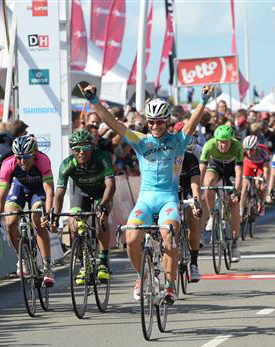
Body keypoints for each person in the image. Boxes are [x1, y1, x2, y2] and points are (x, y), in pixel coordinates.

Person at [81, 83, 213, 304]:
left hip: (167, 199)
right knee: (132, 237)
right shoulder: (141, 141)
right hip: (145, 199)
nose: (155, 126)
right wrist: (94, 101)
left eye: (159, 121)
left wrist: (203, 101)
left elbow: (192, 123)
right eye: (151, 122)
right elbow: (113, 123)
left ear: (167, 121)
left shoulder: (178, 141)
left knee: (169, 236)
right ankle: (143, 276)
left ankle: (170, 285)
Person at [52, 128, 116, 283]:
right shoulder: (67, 164)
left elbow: (111, 185)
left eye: (86, 148)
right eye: (77, 149)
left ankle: (102, 261)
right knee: (73, 224)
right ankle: (84, 264)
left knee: (101, 219)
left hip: (102, 194)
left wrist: (104, 205)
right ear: (72, 150)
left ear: (92, 147)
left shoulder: (101, 157)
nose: (81, 152)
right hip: (81, 194)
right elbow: (59, 193)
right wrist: (54, 216)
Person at [0, 135, 55, 287]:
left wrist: (48, 213)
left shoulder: (43, 160)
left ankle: (47, 268)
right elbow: (1, 195)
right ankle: (22, 259)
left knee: (37, 219)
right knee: (11, 222)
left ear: (34, 154)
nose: (22, 161)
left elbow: (49, 190)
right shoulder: (8, 164)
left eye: (26, 157)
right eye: (19, 157)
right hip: (19, 188)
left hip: (38, 190)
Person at [199, 124, 244, 262]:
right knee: (208, 183)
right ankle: (213, 215)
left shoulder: (237, 146)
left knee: (234, 205)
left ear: (231, 140)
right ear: (216, 140)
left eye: (226, 142)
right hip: (215, 167)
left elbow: (238, 172)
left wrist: (237, 191)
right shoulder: (208, 145)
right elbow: (202, 170)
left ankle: (235, 244)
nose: (223, 145)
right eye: (220, 141)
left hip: (231, 170)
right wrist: (200, 188)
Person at [179, 140, 203, 282]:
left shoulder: (190, 158)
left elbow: (195, 186)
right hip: (170, 192)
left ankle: (194, 264)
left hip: (187, 191)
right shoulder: (166, 158)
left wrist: (196, 205)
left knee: (193, 221)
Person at [241, 134, 270, 217]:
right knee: (245, 185)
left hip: (261, 166)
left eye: (252, 149)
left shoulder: (263, 151)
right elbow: (238, 165)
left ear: (256, 147)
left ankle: (262, 204)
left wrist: (264, 181)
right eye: (247, 149)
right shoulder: (242, 151)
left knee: (259, 184)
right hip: (248, 165)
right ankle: (241, 210)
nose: (249, 152)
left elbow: (266, 169)